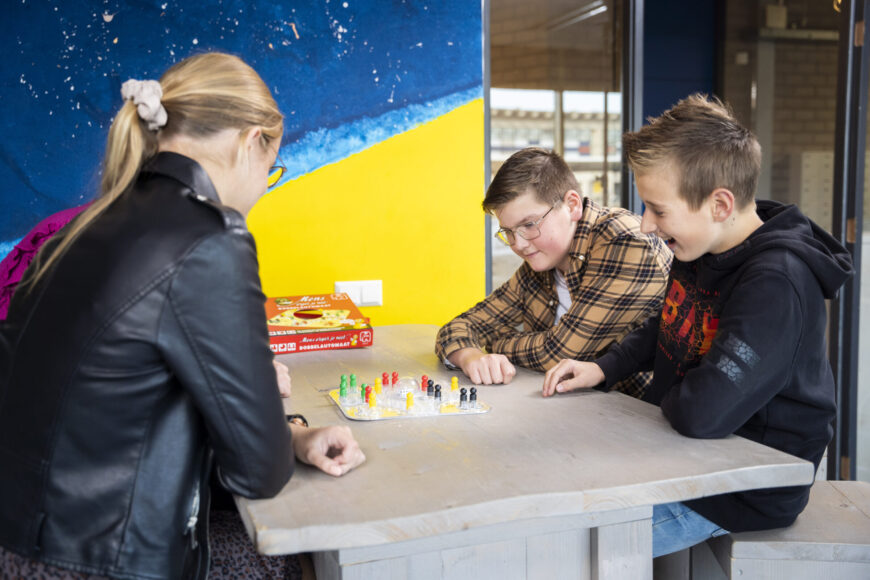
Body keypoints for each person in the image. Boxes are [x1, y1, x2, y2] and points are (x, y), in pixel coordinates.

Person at [0, 52, 365, 580]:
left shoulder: (84, 228)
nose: (263, 189)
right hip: (98, 561)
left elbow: (122, 408)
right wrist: (276, 435)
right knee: (295, 561)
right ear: (249, 143)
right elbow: (259, 472)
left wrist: (291, 438)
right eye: (271, 169)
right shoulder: (211, 237)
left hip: (25, 542)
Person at [542, 94, 853, 557]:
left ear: (720, 204)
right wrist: (604, 368)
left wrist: (665, 399)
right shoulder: (703, 245)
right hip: (684, 461)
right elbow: (669, 322)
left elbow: (702, 413)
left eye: (658, 210)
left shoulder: (776, 283)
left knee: (563, 548)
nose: (646, 225)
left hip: (738, 493)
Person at [435, 147, 672, 397]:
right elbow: (459, 326)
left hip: (645, 421)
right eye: (509, 232)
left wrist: (493, 344)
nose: (519, 244)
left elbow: (560, 353)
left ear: (572, 205)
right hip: (578, 414)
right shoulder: (542, 262)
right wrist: (471, 356)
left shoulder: (625, 241)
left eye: (529, 224)